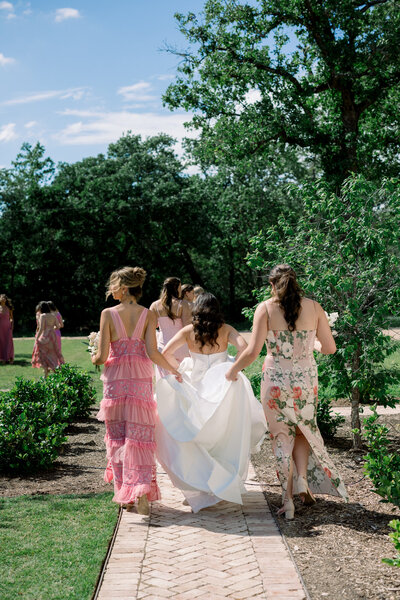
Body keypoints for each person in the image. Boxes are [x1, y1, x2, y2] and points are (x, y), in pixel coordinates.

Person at [226, 264, 348, 520]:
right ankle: (302, 479)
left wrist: (232, 371)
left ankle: (287, 500)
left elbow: (252, 351)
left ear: (272, 284)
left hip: (276, 382)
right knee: (304, 429)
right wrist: (312, 344)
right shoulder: (314, 307)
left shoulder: (266, 308)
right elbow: (330, 348)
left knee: (281, 437)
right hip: (305, 381)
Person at [155, 293, 267, 513]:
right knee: (224, 434)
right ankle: (218, 484)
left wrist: (175, 371)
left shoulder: (189, 331)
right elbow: (245, 348)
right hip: (222, 383)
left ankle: (197, 486)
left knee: (194, 435)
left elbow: (166, 352)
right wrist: (233, 366)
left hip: (194, 383)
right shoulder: (226, 329)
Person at [92, 266, 181, 515]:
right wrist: (172, 369)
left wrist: (93, 356)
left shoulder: (108, 314)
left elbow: (100, 357)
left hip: (116, 381)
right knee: (139, 438)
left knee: (118, 437)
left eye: (113, 285)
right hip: (141, 379)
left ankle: (125, 494)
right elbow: (153, 352)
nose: (111, 290)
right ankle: (140, 488)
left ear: (123, 288)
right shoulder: (148, 314)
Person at [150, 277, 192, 378]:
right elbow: (187, 327)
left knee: (165, 379)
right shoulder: (184, 304)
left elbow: (152, 327)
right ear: (176, 288)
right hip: (181, 345)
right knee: (183, 378)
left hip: (163, 345)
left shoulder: (155, 305)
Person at [32, 301, 65, 377]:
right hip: (52, 337)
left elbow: (41, 329)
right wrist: (51, 328)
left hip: (44, 337)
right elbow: (58, 326)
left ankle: (46, 374)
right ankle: (55, 371)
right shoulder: (53, 315)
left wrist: (37, 338)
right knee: (52, 354)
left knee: (44, 355)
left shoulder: (43, 316)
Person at [0, 294, 14, 364]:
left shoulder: (9, 308)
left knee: (8, 342)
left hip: (8, 326)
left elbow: (11, 318)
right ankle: (3, 358)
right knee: (1, 342)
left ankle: (10, 358)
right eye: (2, 298)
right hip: (0, 327)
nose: (3, 299)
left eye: (4, 298)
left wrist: (12, 325)